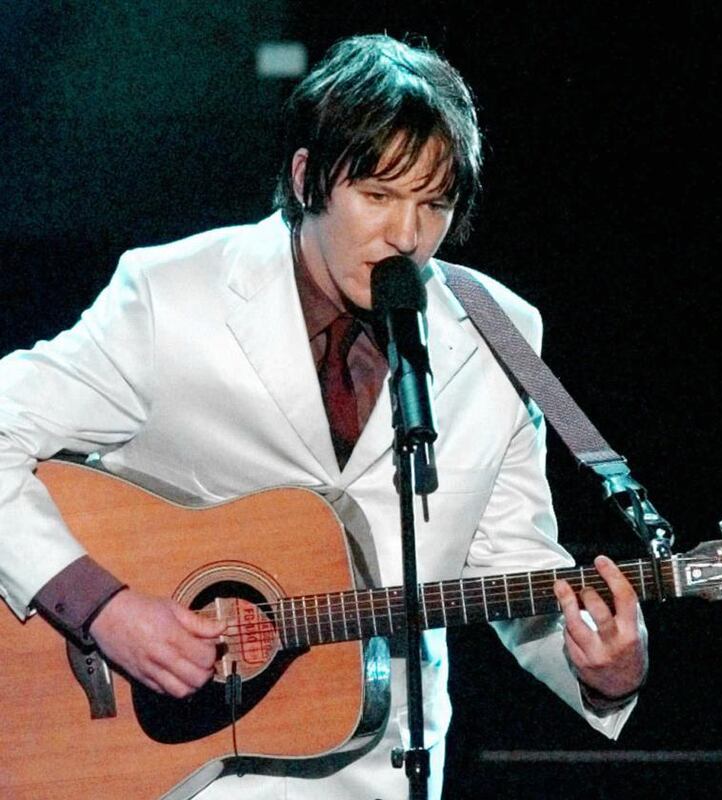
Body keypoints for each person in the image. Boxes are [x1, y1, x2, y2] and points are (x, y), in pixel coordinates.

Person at [0, 34, 647, 799]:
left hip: (379, 773)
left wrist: (606, 671)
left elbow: (511, 566)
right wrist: (104, 609)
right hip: (169, 771)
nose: (407, 237)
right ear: (308, 179)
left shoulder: (499, 335)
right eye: (377, 196)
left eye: (432, 203)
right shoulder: (173, 296)